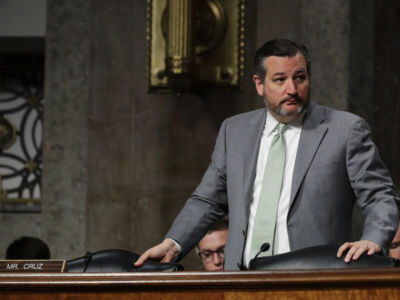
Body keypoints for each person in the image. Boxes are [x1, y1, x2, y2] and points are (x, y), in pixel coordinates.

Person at [135, 39, 399, 270]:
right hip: (241, 280)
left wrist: (374, 239)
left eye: (300, 77)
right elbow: (207, 200)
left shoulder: (345, 130)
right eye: (280, 80)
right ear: (259, 84)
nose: (292, 89)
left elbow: (379, 195)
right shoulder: (234, 131)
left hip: (315, 279)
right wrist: (173, 243)